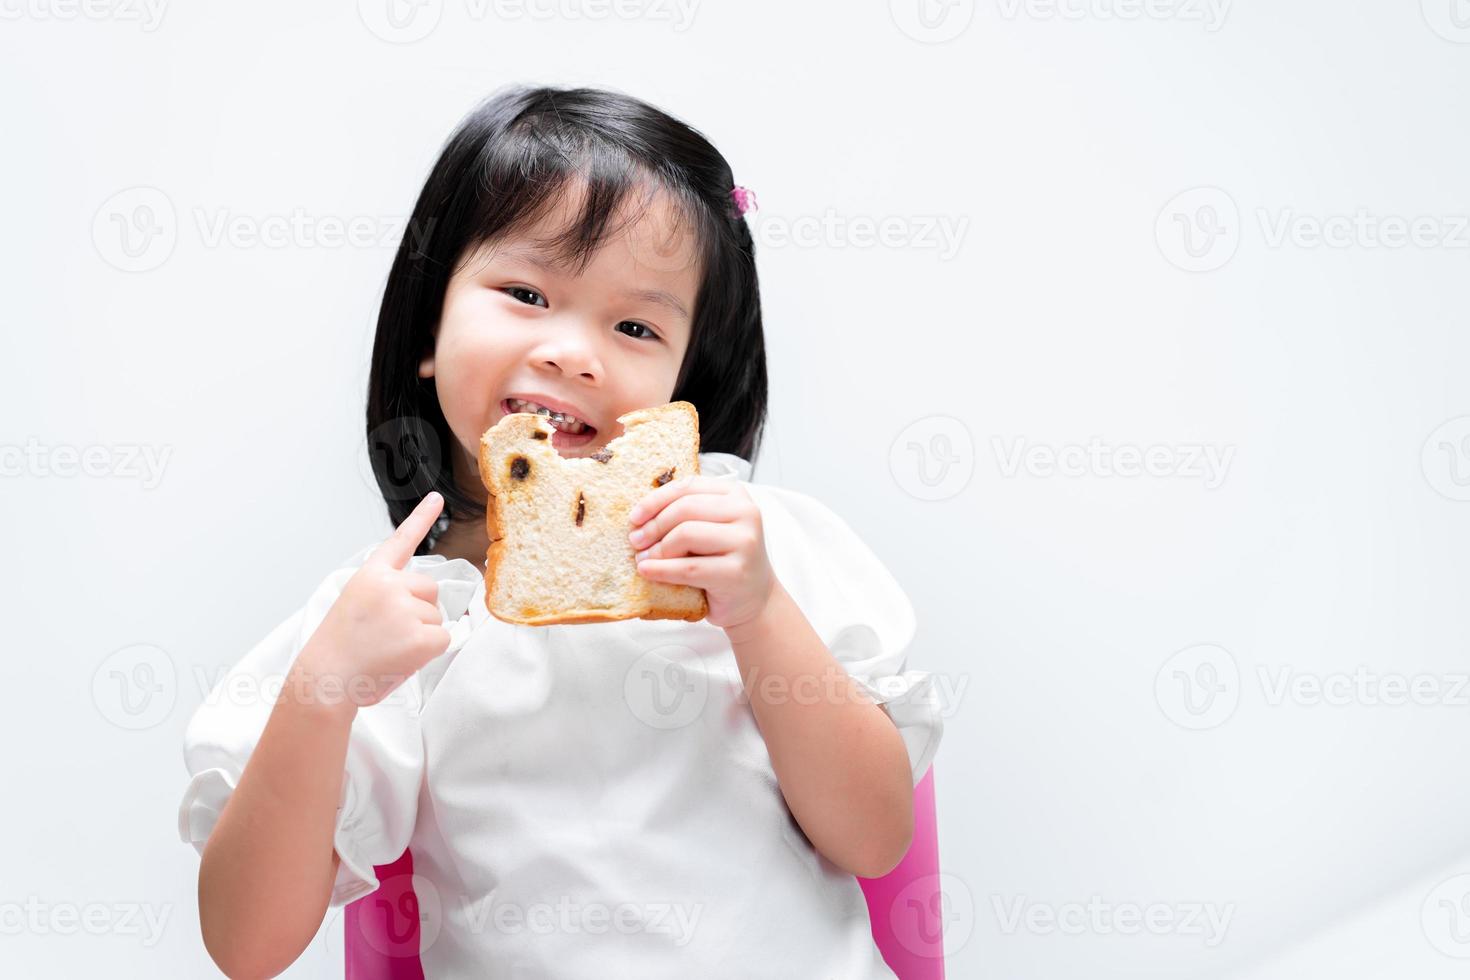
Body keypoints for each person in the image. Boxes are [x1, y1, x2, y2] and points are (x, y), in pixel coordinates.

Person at [176, 84, 944, 978]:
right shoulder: (391, 612)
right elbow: (246, 945)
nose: (576, 352)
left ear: (685, 379)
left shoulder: (759, 546)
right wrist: (322, 690)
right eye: (526, 292)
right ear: (428, 327)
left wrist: (761, 611)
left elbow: (876, 838)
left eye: (634, 325)